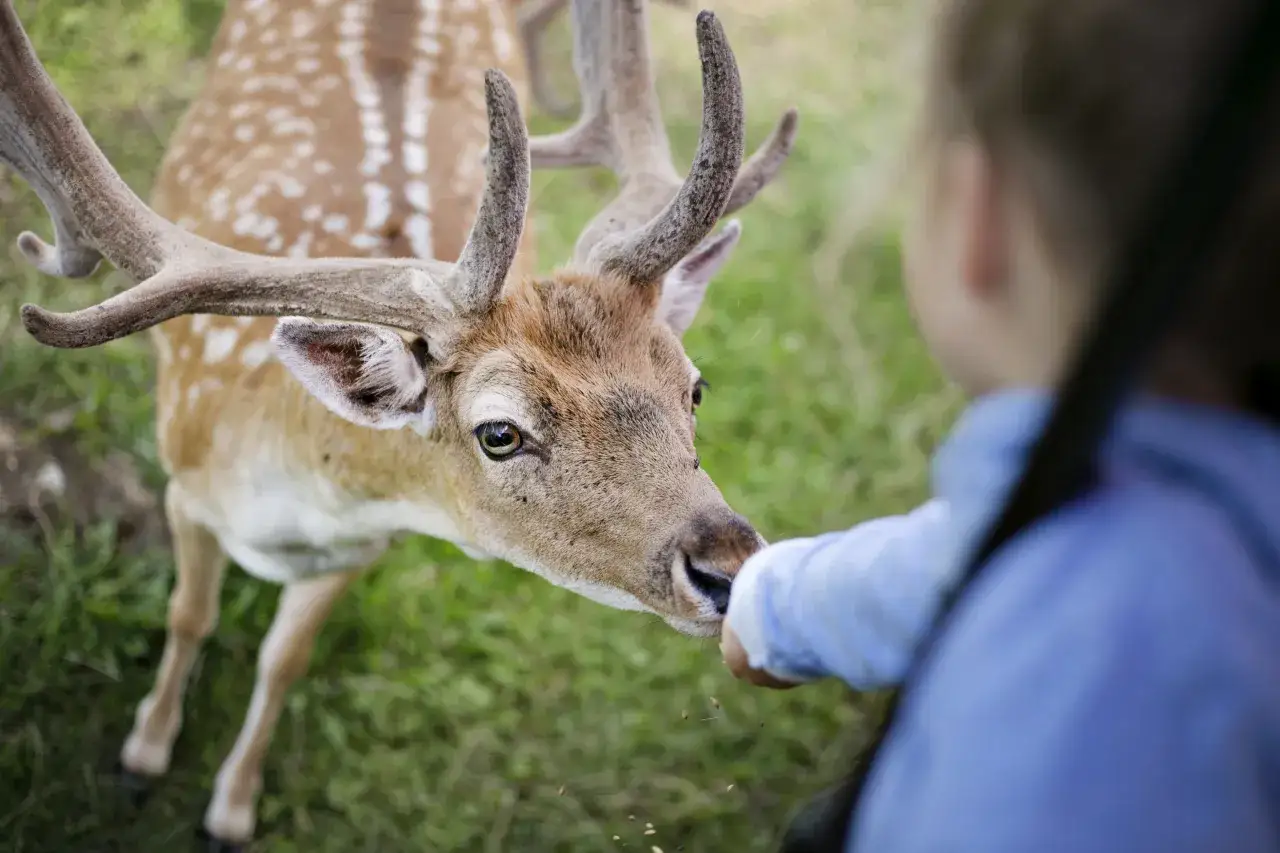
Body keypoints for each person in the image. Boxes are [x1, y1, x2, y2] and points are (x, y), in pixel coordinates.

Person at [720, 1, 1280, 850]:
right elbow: (960, 561)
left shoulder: (1090, 677)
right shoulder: (1118, 514)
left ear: (978, 213)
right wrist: (777, 603)